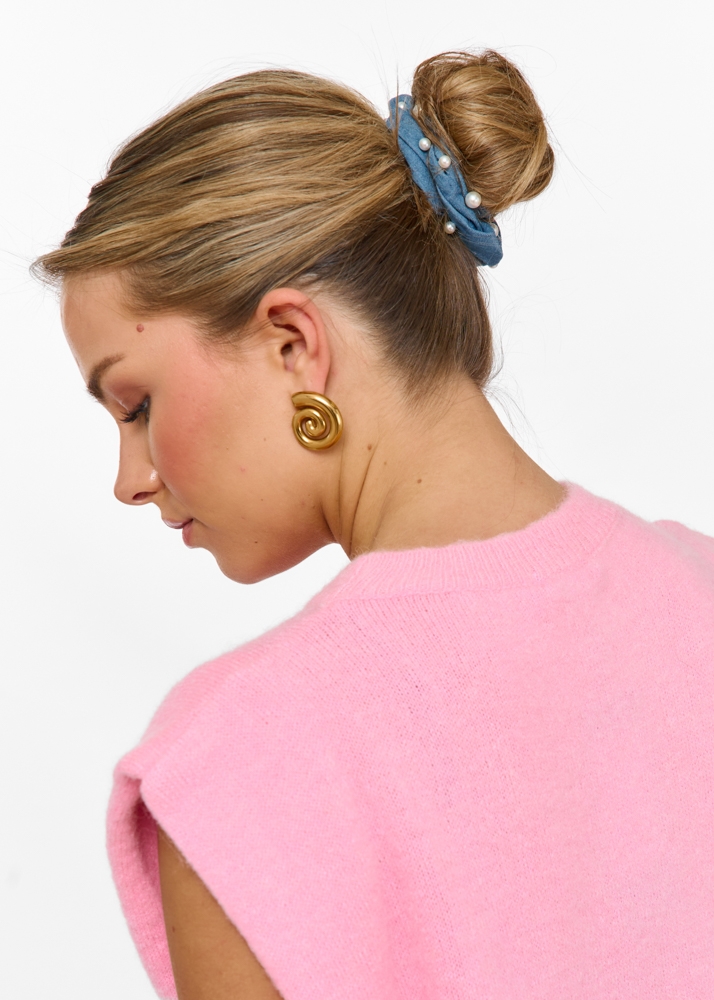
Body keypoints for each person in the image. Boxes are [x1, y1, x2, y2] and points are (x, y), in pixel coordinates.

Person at [35, 48, 714, 1000]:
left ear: (293, 345)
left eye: (136, 404)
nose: (131, 480)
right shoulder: (699, 588)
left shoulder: (238, 762)